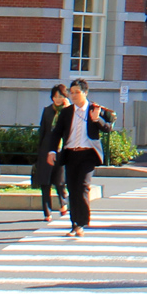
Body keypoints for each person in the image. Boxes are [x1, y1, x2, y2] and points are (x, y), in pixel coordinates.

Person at [44, 78, 112, 236]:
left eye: (77, 92)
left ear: (85, 93)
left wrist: (97, 119)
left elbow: (108, 128)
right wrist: (52, 151)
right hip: (70, 154)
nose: (73, 95)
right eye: (71, 92)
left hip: (88, 154)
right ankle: (75, 223)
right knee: (72, 189)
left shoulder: (95, 108)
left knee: (82, 186)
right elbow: (57, 133)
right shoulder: (67, 112)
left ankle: (82, 222)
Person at [33, 84, 70, 221]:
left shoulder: (68, 111)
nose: (57, 99)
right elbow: (42, 130)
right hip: (46, 149)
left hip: (61, 149)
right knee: (45, 182)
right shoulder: (47, 110)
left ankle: (63, 203)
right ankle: (47, 212)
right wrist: (40, 151)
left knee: (60, 181)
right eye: (55, 96)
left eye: (60, 96)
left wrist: (67, 108)